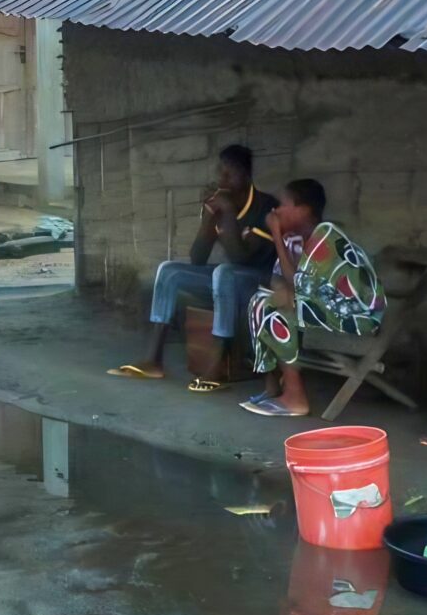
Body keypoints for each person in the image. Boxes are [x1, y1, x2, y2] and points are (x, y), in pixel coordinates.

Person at [107, 145, 278, 390]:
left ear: (247, 177)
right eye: (221, 173)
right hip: (229, 282)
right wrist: (209, 219)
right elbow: (198, 258)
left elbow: (241, 258)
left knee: (224, 272)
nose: (223, 180)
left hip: (262, 282)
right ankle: (153, 360)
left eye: (230, 174)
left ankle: (216, 366)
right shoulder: (220, 207)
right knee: (169, 270)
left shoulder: (264, 205)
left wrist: (228, 212)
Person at [242, 179, 386, 418]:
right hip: (327, 307)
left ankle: (295, 397)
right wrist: (283, 289)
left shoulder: (326, 235)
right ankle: (273, 387)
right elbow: (279, 280)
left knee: (272, 308)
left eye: (282, 205)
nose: (275, 212)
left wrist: (276, 235)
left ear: (304, 209)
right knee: (261, 299)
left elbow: (296, 284)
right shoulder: (295, 239)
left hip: (357, 315)